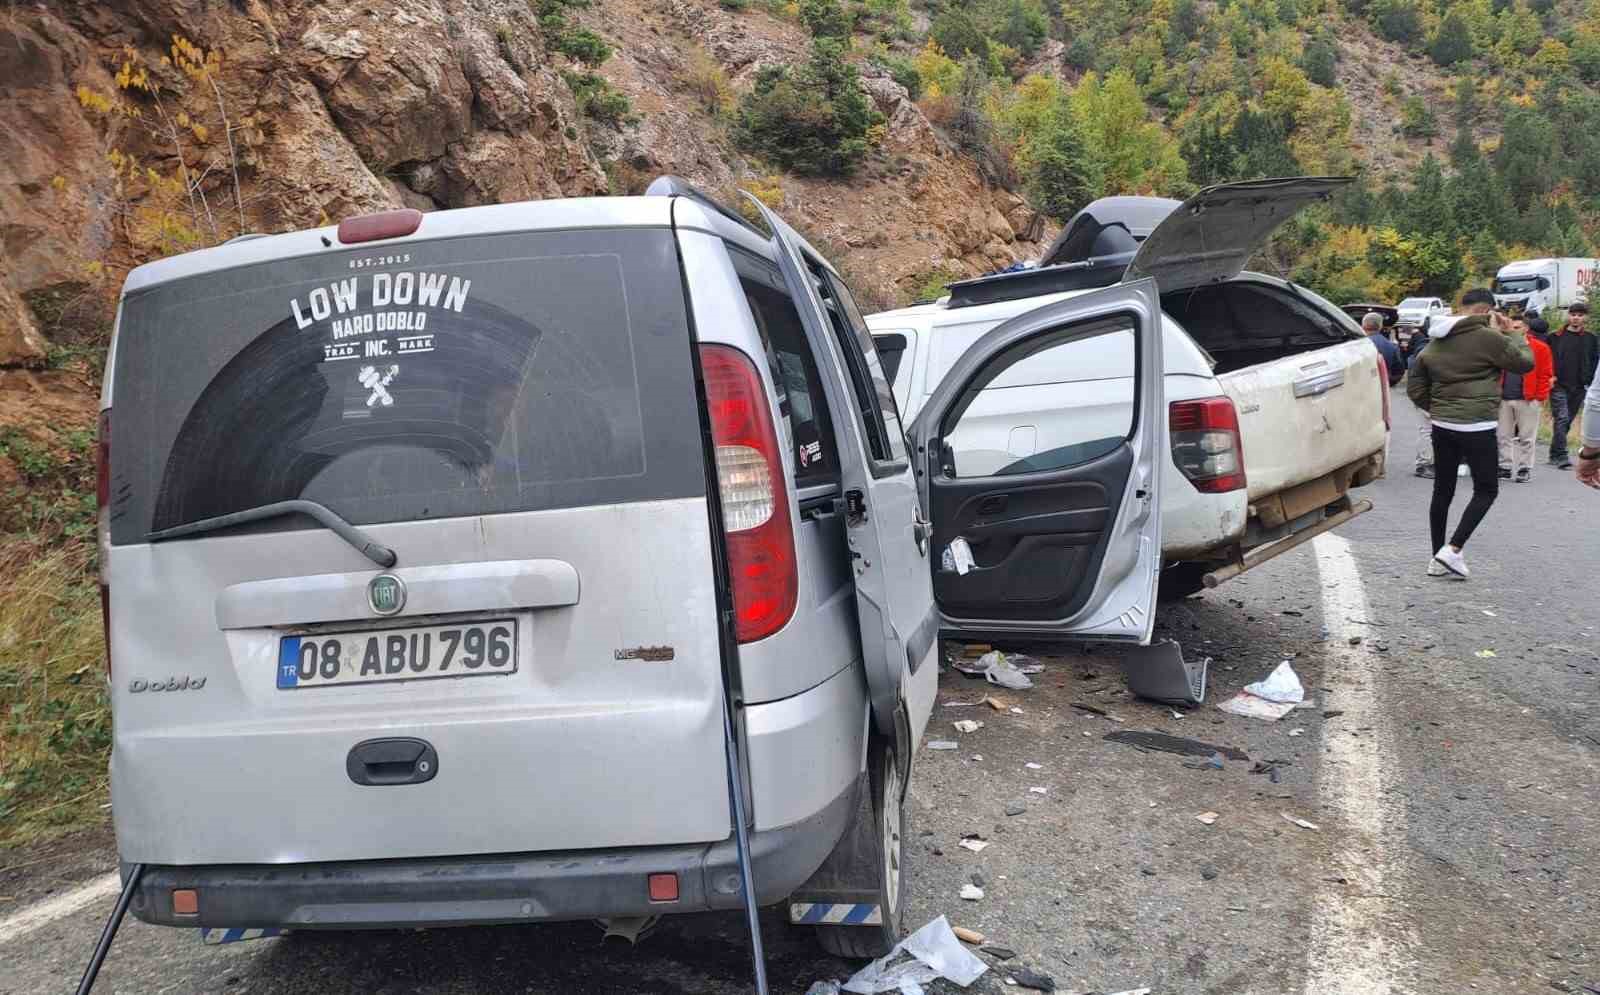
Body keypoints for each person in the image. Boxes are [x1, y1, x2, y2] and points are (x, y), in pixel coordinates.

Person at [1406, 288, 1534, 578]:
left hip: (1442, 425)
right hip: (1477, 425)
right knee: (1486, 489)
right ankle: (1452, 549)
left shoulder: (1437, 338)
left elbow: (1415, 385)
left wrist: (1436, 408)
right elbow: (1525, 363)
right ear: (1486, 310)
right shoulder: (1488, 338)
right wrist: (1513, 333)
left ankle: (1435, 557)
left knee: (1443, 489)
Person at [1496, 315, 1553, 483]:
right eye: (1511, 327)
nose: (1513, 330)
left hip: (1528, 398)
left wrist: (1539, 397)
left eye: (1517, 327)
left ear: (1526, 329)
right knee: (1503, 435)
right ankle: (1505, 466)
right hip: (1504, 397)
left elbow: (1546, 373)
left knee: (1527, 436)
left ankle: (1524, 467)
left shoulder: (1540, 348)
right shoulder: (1504, 346)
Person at [1546, 301, 1598, 469]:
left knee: (1567, 420)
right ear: (1568, 316)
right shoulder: (1555, 337)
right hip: (1558, 384)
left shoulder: (1591, 338)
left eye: (1580, 315)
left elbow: (1595, 361)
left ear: (1585, 318)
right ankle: (1561, 455)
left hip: (1580, 386)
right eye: (1573, 314)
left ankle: (1554, 453)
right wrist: (1549, 376)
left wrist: (1589, 381)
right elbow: (1546, 359)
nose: (1576, 318)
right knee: (1561, 418)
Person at [1363, 312, 1403, 384]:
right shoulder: (1392, 346)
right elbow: (1398, 372)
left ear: (1363, 325)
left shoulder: (1355, 345)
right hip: (1382, 385)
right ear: (1380, 326)